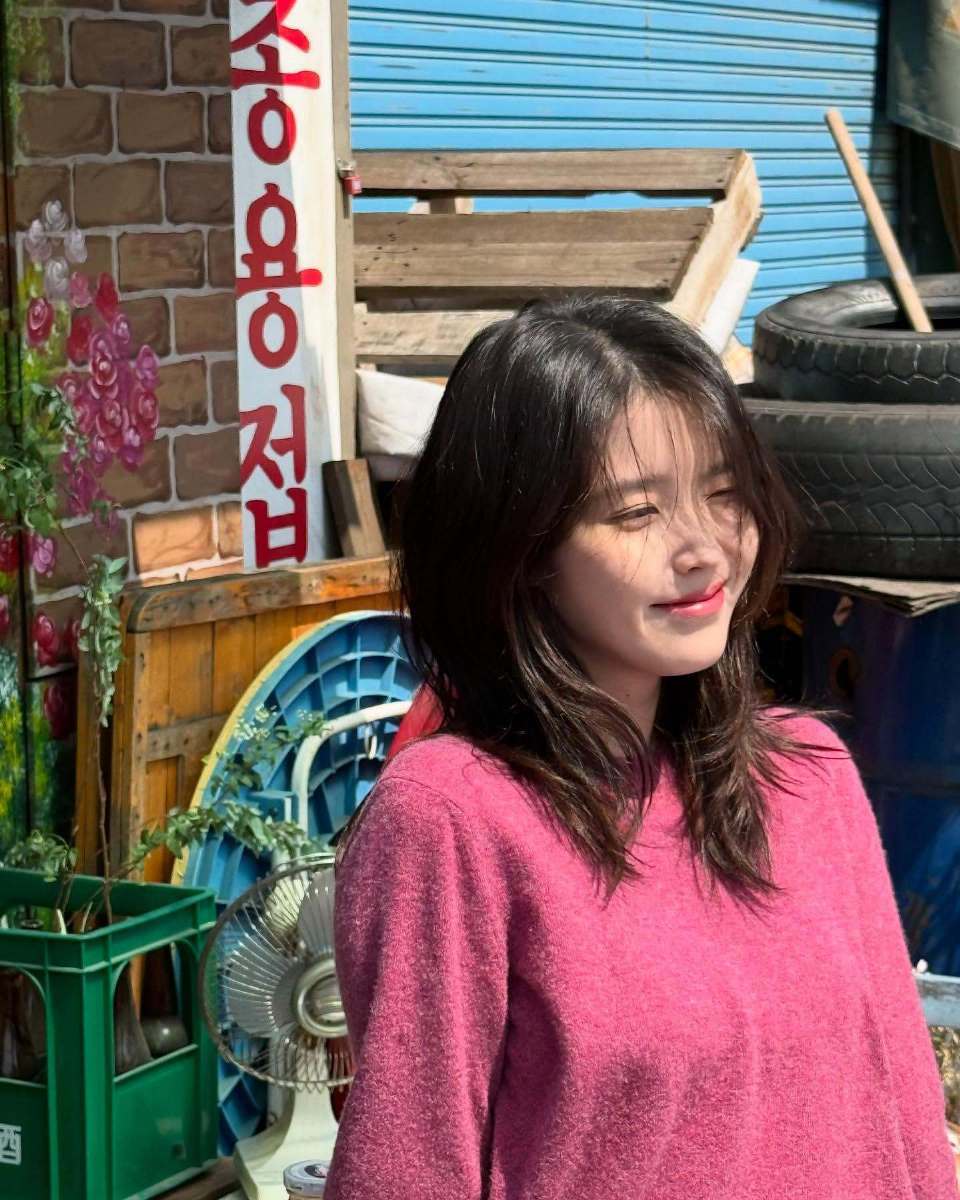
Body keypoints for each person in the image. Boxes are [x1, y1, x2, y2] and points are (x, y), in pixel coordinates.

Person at [324, 296, 957, 1199]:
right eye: (634, 512)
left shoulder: (807, 773)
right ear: (521, 550)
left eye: (724, 494)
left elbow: (906, 1109)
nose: (702, 548)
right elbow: (408, 1167)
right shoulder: (455, 816)